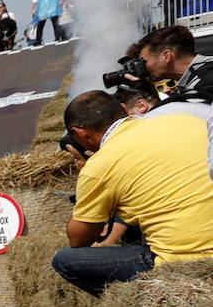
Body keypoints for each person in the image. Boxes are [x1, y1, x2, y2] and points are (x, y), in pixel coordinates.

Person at [51, 91, 213, 296]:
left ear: (80, 133)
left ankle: (136, 306)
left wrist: (86, 183)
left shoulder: (98, 167)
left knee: (64, 260)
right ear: (125, 110)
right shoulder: (184, 120)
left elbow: (78, 239)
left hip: (185, 260)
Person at [136, 25, 213, 117]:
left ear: (166, 57)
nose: (142, 68)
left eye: (143, 61)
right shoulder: (197, 78)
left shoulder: (205, 81)